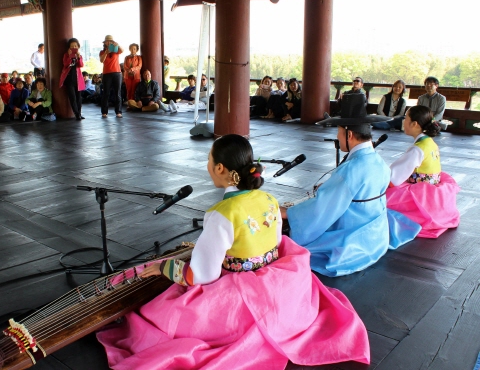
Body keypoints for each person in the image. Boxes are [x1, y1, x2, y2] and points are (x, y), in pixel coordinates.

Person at [97, 134, 371, 369]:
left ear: (219, 168)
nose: (206, 166)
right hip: (276, 285)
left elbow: (202, 275)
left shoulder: (220, 213)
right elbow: (274, 244)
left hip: (239, 297)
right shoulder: (269, 199)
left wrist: (164, 267)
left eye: (208, 161)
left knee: (158, 315)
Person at [283, 94, 419, 277]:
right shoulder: (378, 161)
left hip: (352, 239)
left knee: (286, 241)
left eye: (338, 132)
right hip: (376, 235)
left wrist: (289, 213)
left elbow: (322, 208)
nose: (338, 138)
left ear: (349, 134)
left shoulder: (351, 170)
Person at [386, 106, 460, 238]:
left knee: (384, 198)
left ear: (414, 124)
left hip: (422, 194)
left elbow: (395, 178)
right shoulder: (430, 142)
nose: (403, 121)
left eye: (405, 118)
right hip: (433, 191)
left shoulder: (417, 149)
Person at [59, 38, 86, 120]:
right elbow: (66, 64)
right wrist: (70, 56)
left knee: (79, 97)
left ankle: (79, 113)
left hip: (77, 79)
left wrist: (78, 57)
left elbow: (81, 65)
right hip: (69, 79)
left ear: (78, 47)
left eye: (75, 46)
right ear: (69, 47)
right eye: (72, 46)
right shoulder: (66, 55)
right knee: (72, 97)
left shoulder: (79, 56)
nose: (74, 47)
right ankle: (76, 114)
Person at [99, 35, 124, 118]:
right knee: (106, 93)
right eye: (107, 41)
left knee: (118, 93)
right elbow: (101, 60)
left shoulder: (116, 50)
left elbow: (122, 50)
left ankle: (118, 111)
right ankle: (104, 112)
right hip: (106, 74)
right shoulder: (102, 52)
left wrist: (117, 44)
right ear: (105, 43)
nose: (109, 42)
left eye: (111, 41)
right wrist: (106, 52)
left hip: (117, 73)